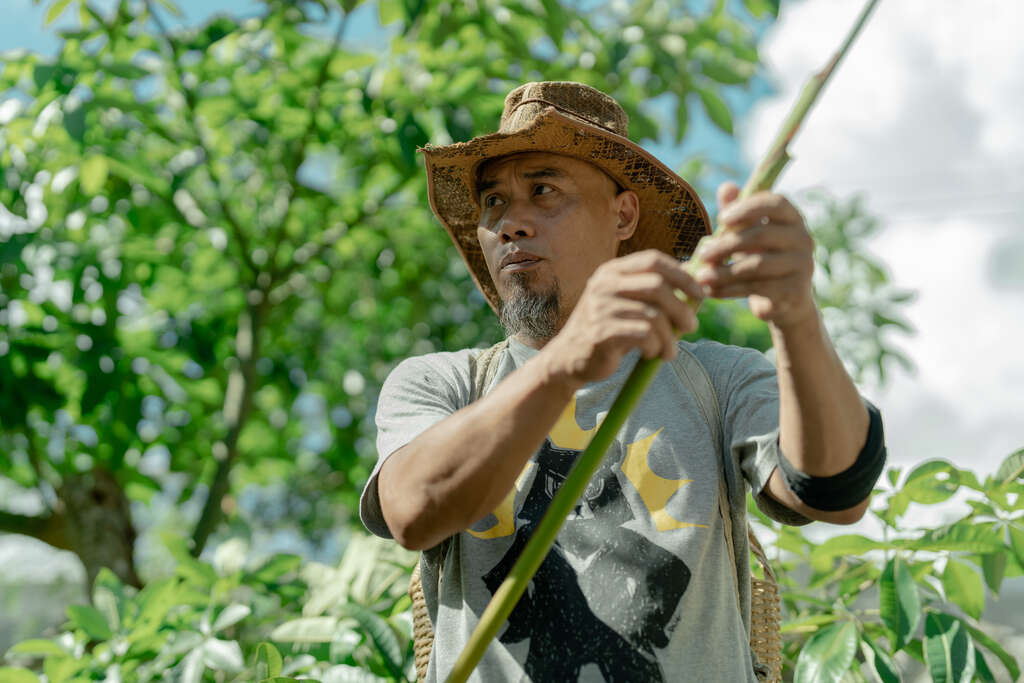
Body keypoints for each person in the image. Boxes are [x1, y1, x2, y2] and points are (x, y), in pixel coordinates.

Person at [359, 82, 886, 682]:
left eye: (544, 190)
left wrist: (796, 316)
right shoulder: (444, 383)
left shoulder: (718, 378)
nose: (510, 224)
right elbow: (413, 510)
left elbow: (834, 492)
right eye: (493, 203)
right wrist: (565, 363)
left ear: (624, 214)